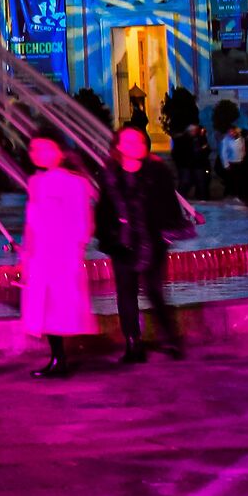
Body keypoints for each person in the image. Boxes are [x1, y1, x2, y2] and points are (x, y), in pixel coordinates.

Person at [94, 125, 185, 362]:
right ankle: (133, 343)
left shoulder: (157, 172)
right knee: (126, 293)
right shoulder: (110, 175)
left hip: (152, 241)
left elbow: (169, 204)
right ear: (119, 147)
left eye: (140, 141)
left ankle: (171, 338)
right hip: (122, 243)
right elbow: (103, 209)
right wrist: (108, 235)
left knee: (154, 290)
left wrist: (169, 231)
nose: (137, 145)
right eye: (130, 141)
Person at [20, 132, 98, 377]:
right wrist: (27, 252)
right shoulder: (35, 181)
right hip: (40, 253)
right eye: (34, 149)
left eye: (45, 148)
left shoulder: (74, 182)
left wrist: (75, 251)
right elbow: (32, 221)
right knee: (44, 306)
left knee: (57, 305)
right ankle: (57, 357)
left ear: (60, 152)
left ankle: (59, 358)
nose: (38, 154)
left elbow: (82, 221)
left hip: (62, 253)